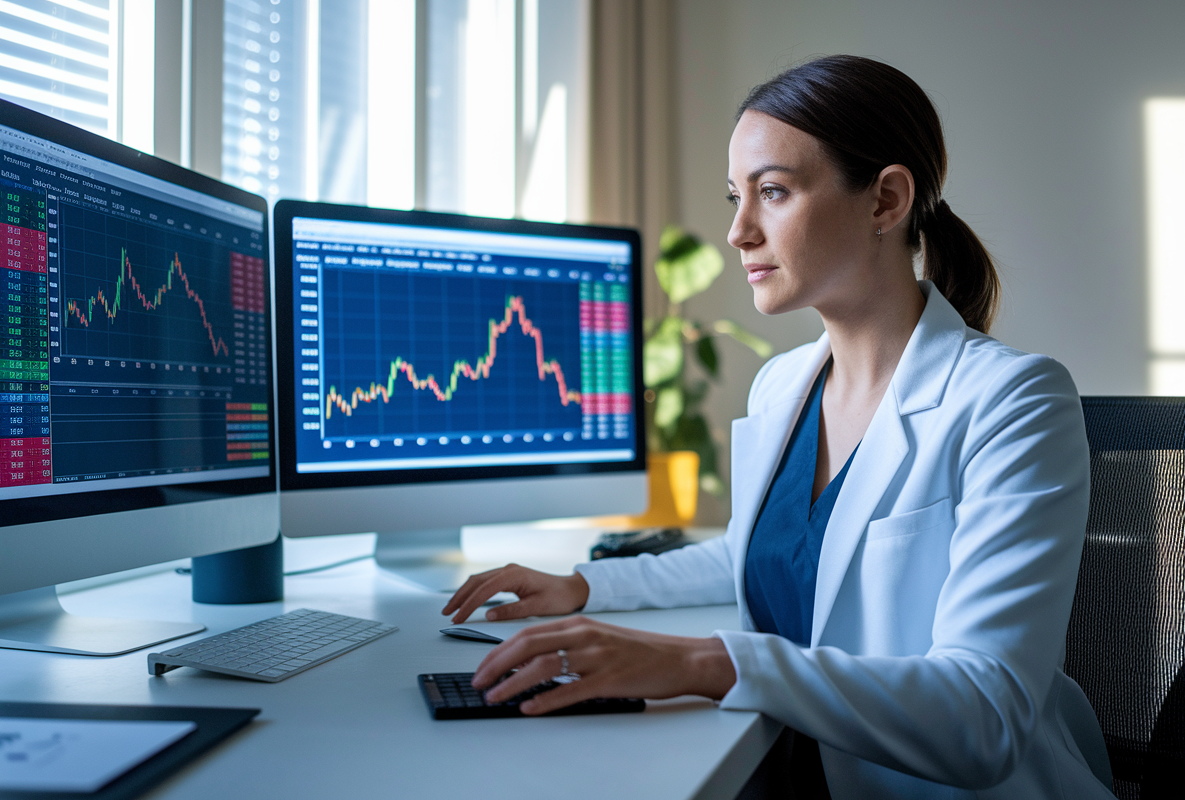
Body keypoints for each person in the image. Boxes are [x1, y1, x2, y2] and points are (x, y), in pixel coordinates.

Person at [443, 55, 1114, 799]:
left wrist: (710, 662)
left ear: (886, 200)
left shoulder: (1013, 402)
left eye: (772, 192)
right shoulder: (782, 386)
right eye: (736, 196)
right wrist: (582, 586)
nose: (737, 232)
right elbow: (760, 552)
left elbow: (985, 718)